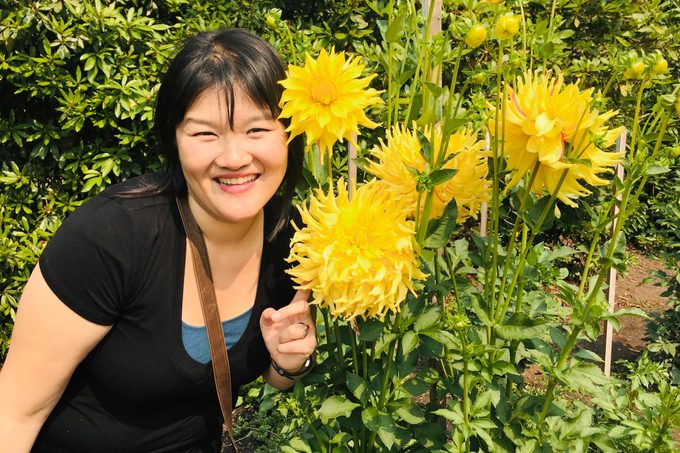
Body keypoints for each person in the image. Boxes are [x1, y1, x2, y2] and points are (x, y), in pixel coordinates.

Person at [0, 27, 316, 452]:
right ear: (175, 141)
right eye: (206, 134)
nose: (236, 157)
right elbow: (15, 411)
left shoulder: (292, 239)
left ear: (290, 135)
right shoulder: (112, 238)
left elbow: (274, 374)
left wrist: (288, 362)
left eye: (257, 130)